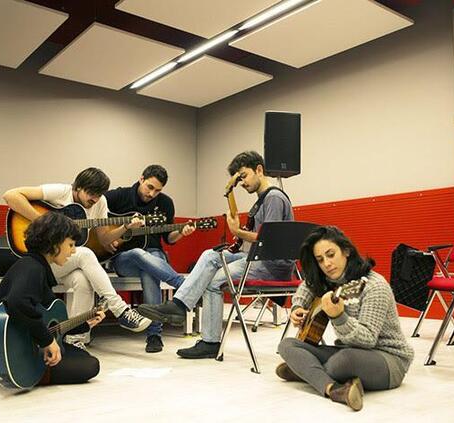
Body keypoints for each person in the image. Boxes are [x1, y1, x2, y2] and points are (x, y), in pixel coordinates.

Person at [138, 151, 294, 359]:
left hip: (270, 266)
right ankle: (179, 305)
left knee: (213, 281)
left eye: (244, 176)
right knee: (209, 255)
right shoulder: (263, 199)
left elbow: (270, 240)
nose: (243, 182)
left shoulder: (274, 197)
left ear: (259, 170)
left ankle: (210, 342)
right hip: (256, 259)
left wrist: (237, 232)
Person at [2, 167, 151, 347]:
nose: (94, 199)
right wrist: (48, 225)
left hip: (61, 265)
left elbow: (104, 240)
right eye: (90, 193)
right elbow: (10, 195)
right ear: (78, 188)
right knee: (86, 254)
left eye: (98, 195)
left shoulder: (100, 202)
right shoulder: (60, 192)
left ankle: (74, 340)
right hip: (40, 262)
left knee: (82, 280)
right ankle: (120, 309)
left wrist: (126, 227)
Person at [276, 226, 414, 411]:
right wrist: (298, 306)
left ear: (346, 251)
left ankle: (307, 371)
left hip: (388, 360)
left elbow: (367, 340)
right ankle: (334, 389)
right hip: (348, 350)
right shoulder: (330, 280)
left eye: (331, 255)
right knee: (286, 345)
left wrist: (339, 316)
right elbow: (308, 285)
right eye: (320, 260)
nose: (326, 263)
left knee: (341, 362)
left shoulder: (374, 286)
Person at [0, 213, 104, 386]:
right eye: (70, 244)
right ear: (55, 242)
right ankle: (38, 373)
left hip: (12, 351)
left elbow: (51, 325)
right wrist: (47, 341)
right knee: (91, 365)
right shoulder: (32, 267)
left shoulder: (33, 265)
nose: (73, 251)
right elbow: (18, 302)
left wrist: (85, 323)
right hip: (15, 353)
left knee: (82, 357)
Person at [104, 165, 194, 353]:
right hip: (124, 258)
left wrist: (182, 233)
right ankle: (183, 285)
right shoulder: (120, 196)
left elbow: (169, 239)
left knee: (149, 270)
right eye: (149, 187)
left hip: (154, 256)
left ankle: (154, 335)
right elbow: (95, 208)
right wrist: (108, 236)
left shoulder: (166, 203)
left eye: (157, 190)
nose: (152, 193)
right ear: (141, 179)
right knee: (138, 253)